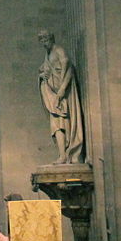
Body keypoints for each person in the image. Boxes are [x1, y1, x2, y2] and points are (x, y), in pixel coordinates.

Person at [37, 31, 85, 163]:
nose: (44, 43)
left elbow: (66, 64)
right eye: (41, 41)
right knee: (55, 124)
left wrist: (62, 87)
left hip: (61, 94)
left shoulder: (59, 50)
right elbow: (44, 70)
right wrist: (42, 76)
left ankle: (67, 153)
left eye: (45, 39)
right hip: (51, 94)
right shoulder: (47, 54)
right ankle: (62, 154)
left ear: (51, 38)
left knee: (63, 123)